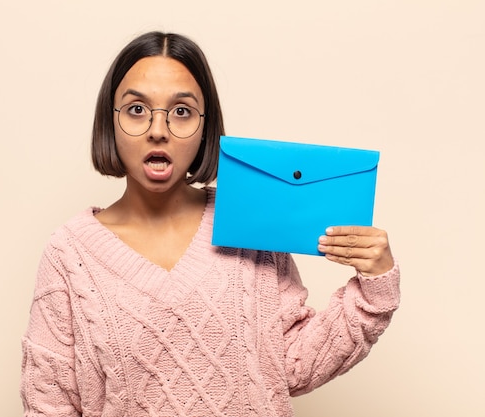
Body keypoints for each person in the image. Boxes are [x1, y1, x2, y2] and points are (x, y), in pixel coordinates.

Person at [20, 31, 400, 417]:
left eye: (181, 111)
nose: (158, 129)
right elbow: (48, 403)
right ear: (110, 121)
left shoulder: (247, 222)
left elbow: (291, 365)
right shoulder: (70, 255)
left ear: (206, 126)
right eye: (136, 109)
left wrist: (374, 291)